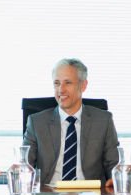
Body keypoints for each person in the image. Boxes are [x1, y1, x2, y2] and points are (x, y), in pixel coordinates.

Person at [23, 58, 120, 186]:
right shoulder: (36, 122)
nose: (61, 90)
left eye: (67, 83)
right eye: (57, 83)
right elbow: (24, 164)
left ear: (83, 85)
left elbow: (114, 164)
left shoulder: (103, 120)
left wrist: (116, 178)